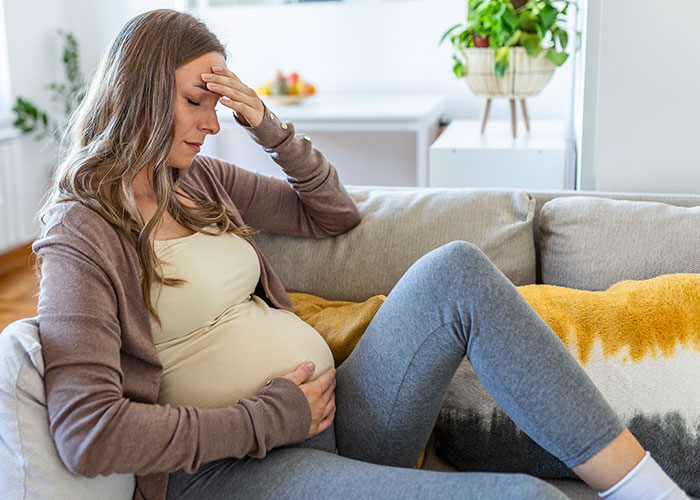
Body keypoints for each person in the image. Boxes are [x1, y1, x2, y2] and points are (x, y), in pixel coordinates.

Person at [31, 9, 688, 500]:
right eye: (196, 102)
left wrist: (266, 123)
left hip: (336, 419)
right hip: (234, 469)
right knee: (527, 498)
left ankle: (647, 491)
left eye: (219, 104)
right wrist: (268, 417)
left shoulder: (195, 180)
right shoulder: (81, 234)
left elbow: (332, 212)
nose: (211, 123)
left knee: (454, 267)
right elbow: (90, 433)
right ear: (138, 95)